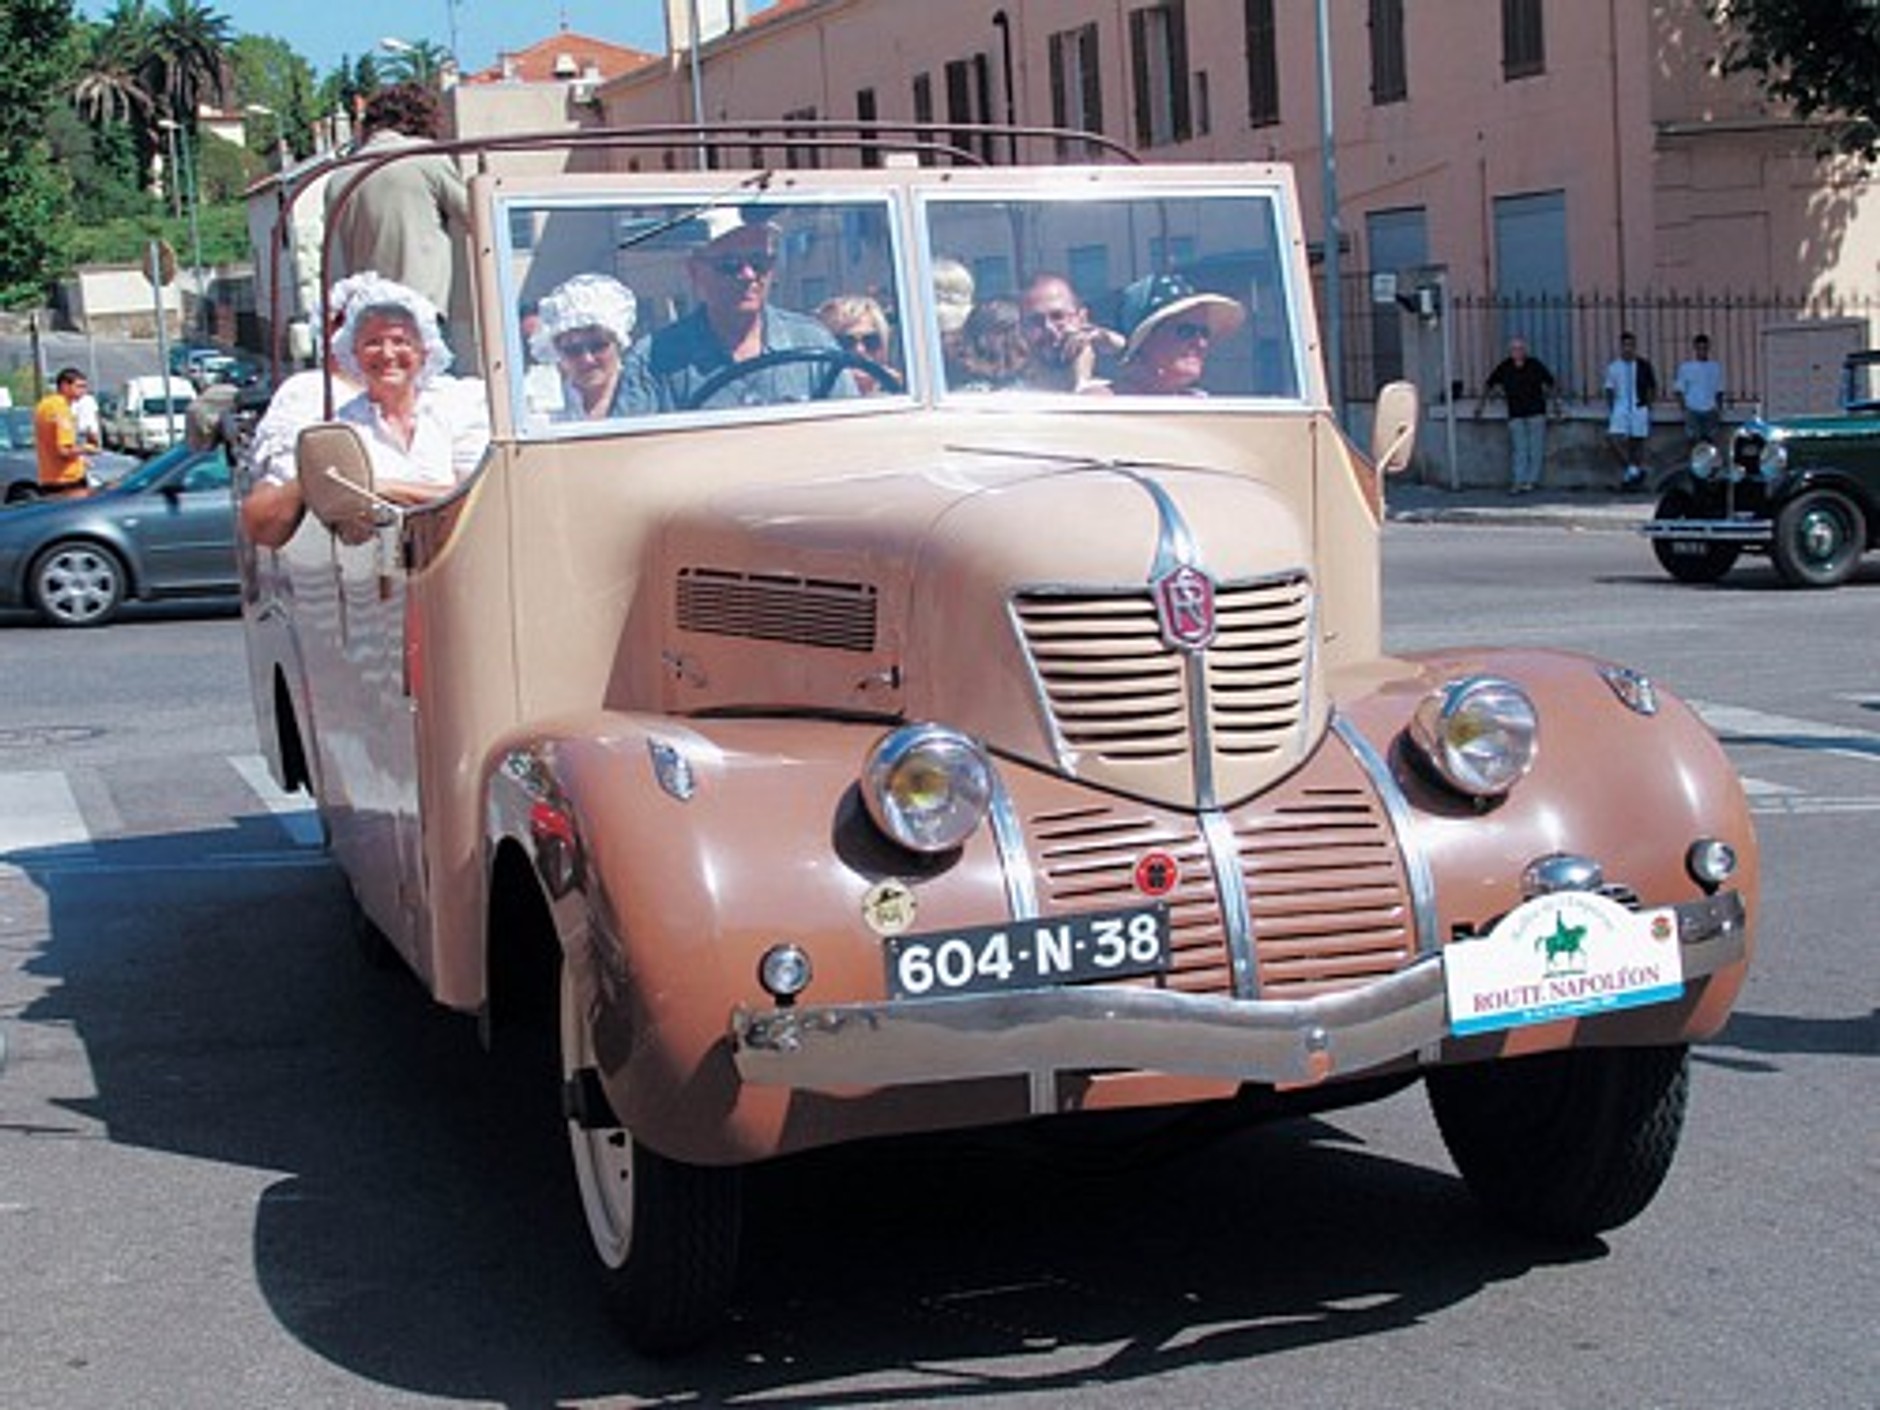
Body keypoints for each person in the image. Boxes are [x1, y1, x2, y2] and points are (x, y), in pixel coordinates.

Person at [243, 275, 486, 549]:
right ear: (353, 354)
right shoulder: (340, 426)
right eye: (372, 342)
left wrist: (376, 486)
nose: (387, 353)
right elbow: (263, 526)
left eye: (400, 341)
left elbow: (477, 497)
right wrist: (311, 479)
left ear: (425, 351)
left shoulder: (461, 404)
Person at [619, 209, 855, 412]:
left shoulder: (813, 344)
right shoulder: (652, 360)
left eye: (759, 262)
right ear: (695, 272)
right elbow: (632, 456)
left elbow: (849, 436)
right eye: (729, 265)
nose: (749, 275)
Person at [325, 83, 470, 354]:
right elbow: (477, 217)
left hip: (364, 318)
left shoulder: (339, 177)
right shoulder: (425, 159)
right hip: (420, 310)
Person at [1099, 273, 1245, 396]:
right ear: (1146, 340)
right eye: (1186, 331)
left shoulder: (1204, 408)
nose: (1201, 343)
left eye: (1205, 333)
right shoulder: (1099, 406)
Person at [530, 273, 639, 420]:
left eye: (598, 346)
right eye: (572, 350)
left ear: (618, 345)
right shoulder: (542, 406)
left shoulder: (647, 395)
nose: (587, 359)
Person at [1476, 336, 1559, 494]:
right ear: (1510, 351)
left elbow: (1550, 383)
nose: (1517, 352)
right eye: (1514, 349)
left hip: (1536, 411)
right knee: (1519, 448)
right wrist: (1481, 405)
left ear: (1525, 350)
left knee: (1536, 448)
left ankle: (1531, 481)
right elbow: (1490, 383)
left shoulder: (1534, 365)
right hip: (1515, 412)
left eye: (1520, 349)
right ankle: (1518, 480)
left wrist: (1556, 405)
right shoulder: (1505, 366)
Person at [1019, 272, 1123, 391]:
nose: (1049, 328)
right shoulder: (1013, 399)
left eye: (1058, 316)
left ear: (1082, 318)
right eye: (1036, 321)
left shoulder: (1119, 393)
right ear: (1023, 328)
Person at [1603, 330, 1658, 490]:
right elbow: (1609, 388)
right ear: (1621, 347)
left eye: (1631, 345)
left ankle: (1631, 478)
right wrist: (1612, 408)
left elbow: (1652, 386)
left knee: (1637, 443)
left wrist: (1648, 405)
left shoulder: (1643, 365)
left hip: (1639, 406)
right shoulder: (1614, 367)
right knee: (1613, 440)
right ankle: (1633, 469)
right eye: (1625, 345)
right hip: (1620, 406)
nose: (1628, 349)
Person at [817, 293, 898, 394]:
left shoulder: (904, 397)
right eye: (846, 342)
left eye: (871, 341)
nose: (860, 350)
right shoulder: (813, 401)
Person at [948, 298, 1031, 391]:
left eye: (1011, 331)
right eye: (998, 332)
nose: (1006, 340)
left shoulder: (1032, 385)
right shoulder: (964, 389)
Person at [34, 368, 92, 497]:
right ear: (65, 386)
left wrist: (81, 460)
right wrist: (87, 448)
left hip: (48, 478)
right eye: (79, 387)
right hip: (68, 481)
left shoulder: (44, 405)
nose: (83, 391)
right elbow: (64, 451)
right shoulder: (61, 409)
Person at [1674, 332, 1725, 448]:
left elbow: (1719, 390)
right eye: (1699, 348)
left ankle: (1709, 464)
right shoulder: (1686, 367)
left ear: (1708, 348)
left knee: (1710, 441)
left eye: (1704, 348)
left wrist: (1719, 409)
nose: (1702, 351)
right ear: (1695, 348)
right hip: (1692, 409)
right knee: (1693, 441)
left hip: (1710, 409)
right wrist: (1684, 409)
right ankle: (1694, 464)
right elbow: (1679, 390)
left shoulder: (1715, 367)